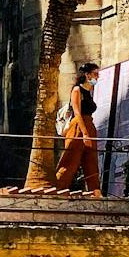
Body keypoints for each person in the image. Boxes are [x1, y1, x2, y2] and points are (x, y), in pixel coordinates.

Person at [54, 62, 102, 196]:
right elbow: (77, 112)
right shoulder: (77, 90)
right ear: (87, 75)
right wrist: (85, 134)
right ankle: (58, 188)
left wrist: (89, 132)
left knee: (91, 160)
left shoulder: (88, 92)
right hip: (78, 127)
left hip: (89, 125)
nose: (97, 77)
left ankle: (96, 192)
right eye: (95, 74)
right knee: (70, 160)